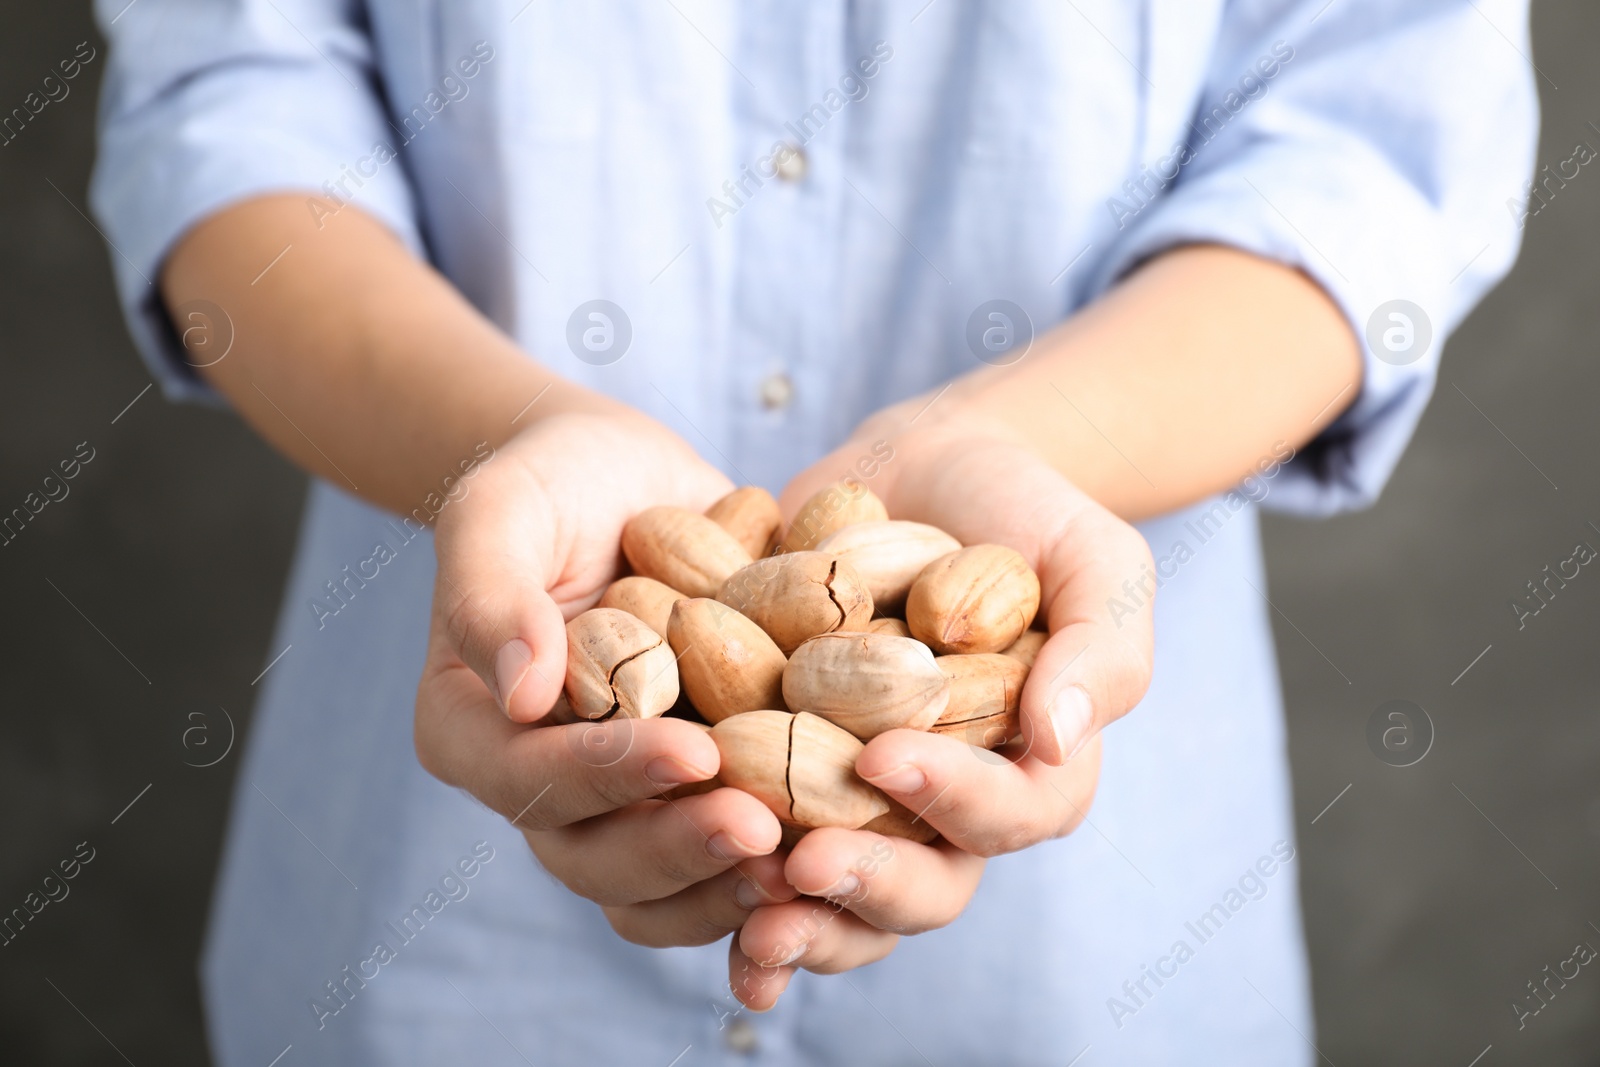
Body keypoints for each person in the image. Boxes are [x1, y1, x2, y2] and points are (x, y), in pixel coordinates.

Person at [91, 1, 1535, 1063]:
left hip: (1096, 969)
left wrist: (1025, 450)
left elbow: (1371, 144)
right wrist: (502, 441)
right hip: (433, 938)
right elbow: (230, 102)